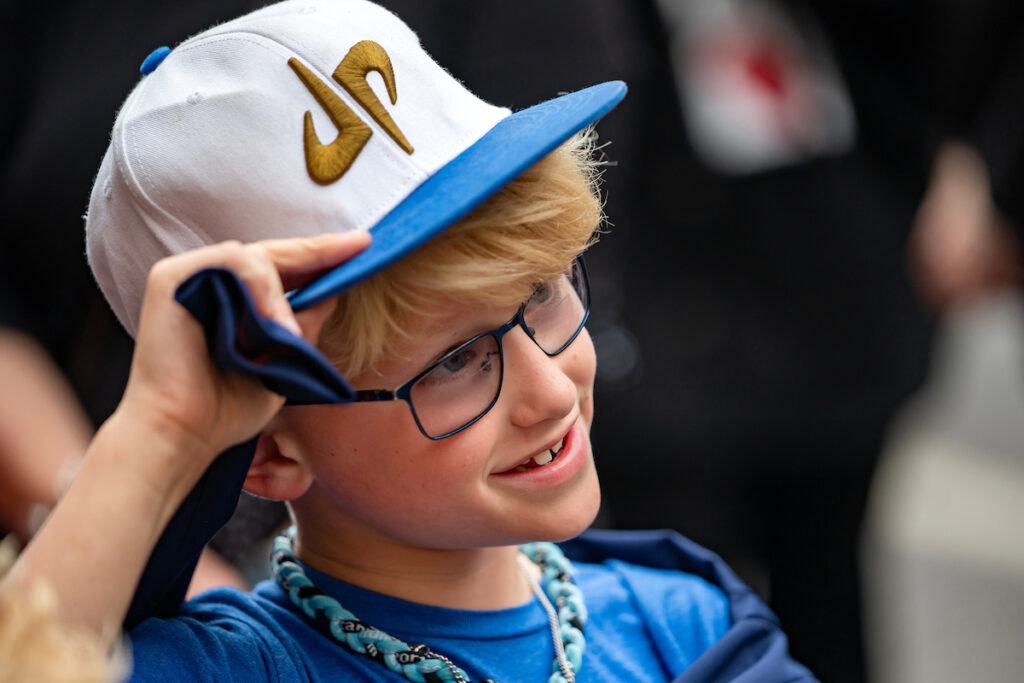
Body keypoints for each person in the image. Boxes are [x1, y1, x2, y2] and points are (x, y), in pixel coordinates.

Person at [3, 1, 813, 680]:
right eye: (455, 361)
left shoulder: (685, 623)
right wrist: (160, 434)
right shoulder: (241, 666)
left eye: (543, 293)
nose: (552, 390)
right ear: (269, 450)